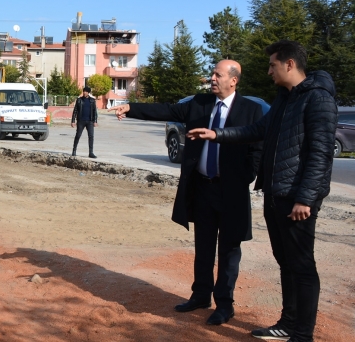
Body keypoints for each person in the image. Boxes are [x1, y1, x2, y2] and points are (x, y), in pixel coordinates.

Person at [188, 40, 337, 342]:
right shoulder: (285, 98)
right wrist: (217, 134)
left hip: (297, 199)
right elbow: (256, 131)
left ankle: (302, 335)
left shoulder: (318, 99)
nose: (269, 71)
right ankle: (288, 323)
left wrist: (305, 198)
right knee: (286, 263)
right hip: (276, 194)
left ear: (289, 64)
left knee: (302, 267)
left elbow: (321, 154)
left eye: (272, 65)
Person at [110, 59, 263, 326]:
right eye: (212, 73)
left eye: (218, 75)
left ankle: (224, 305)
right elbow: (167, 109)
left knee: (229, 250)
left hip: (231, 192)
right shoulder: (200, 103)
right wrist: (132, 107)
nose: (212, 78)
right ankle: (200, 296)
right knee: (203, 246)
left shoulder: (251, 110)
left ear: (233, 80)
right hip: (202, 188)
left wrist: (244, 177)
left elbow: (257, 149)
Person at [71, 86, 99, 158]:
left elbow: (95, 112)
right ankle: (74, 151)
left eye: (86, 91)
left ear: (88, 92)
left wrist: (95, 121)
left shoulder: (92, 100)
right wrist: (73, 121)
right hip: (81, 121)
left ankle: (91, 153)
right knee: (78, 135)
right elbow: (75, 111)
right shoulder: (79, 100)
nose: (84, 92)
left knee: (91, 136)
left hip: (90, 121)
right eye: (84, 91)